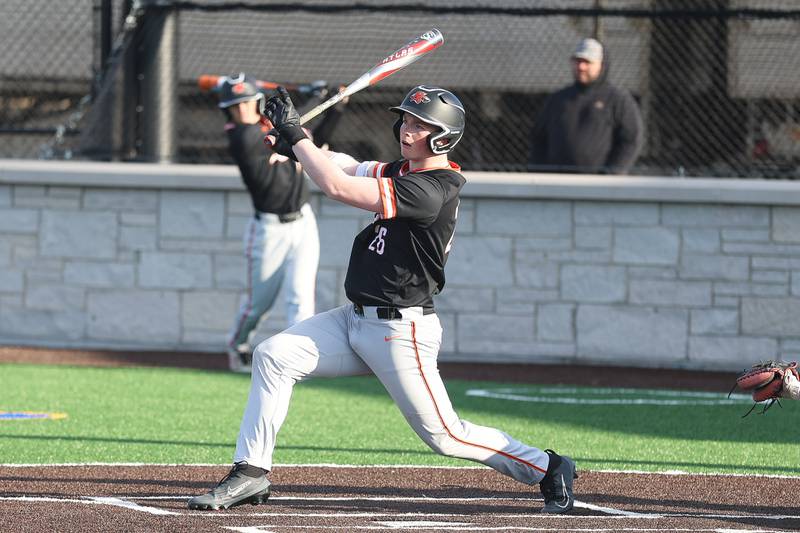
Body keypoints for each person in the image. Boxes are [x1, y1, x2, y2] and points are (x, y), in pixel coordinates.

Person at [188, 85, 578, 514]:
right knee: (273, 355)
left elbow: (337, 186)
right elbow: (348, 166)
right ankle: (252, 473)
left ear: (442, 137)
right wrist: (299, 143)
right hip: (354, 320)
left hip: (400, 331)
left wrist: (297, 137)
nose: (407, 131)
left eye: (419, 125)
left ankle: (547, 467)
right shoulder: (404, 172)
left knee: (446, 436)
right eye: (406, 121)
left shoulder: (433, 189)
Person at [217, 74, 344, 373]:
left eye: (247, 102)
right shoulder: (242, 138)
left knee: (301, 298)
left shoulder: (278, 131)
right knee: (257, 305)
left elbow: (314, 139)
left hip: (303, 222)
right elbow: (292, 126)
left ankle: (299, 361)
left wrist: (336, 105)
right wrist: (318, 97)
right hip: (269, 230)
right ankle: (238, 345)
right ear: (229, 111)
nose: (243, 110)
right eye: (237, 106)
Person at [528, 37, 643, 174]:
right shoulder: (557, 99)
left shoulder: (618, 100)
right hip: (557, 184)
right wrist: (540, 173)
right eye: (577, 61)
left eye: (587, 62)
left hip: (598, 188)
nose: (581, 67)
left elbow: (631, 140)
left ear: (601, 65)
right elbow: (539, 138)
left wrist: (611, 175)